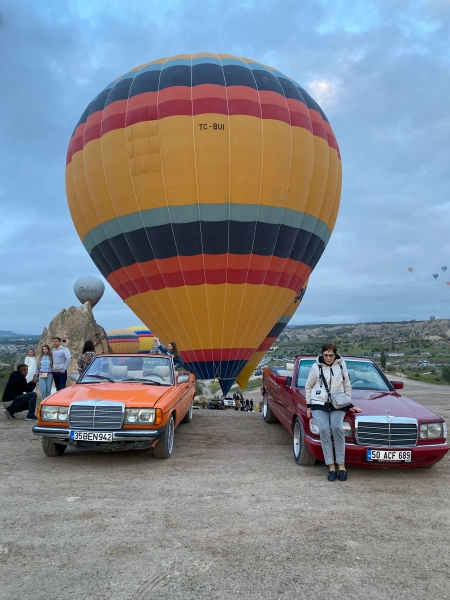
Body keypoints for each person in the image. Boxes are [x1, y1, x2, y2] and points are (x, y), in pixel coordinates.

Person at [305, 343, 361, 482]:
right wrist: (309, 405)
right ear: (322, 354)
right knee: (324, 430)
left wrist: (349, 404)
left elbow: (347, 385)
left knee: (337, 428)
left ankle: (341, 465)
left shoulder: (341, 365)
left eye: (331, 355)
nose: (328, 358)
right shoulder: (315, 367)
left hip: (338, 404)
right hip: (319, 403)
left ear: (335, 354)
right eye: (326, 355)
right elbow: (308, 386)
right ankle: (330, 465)